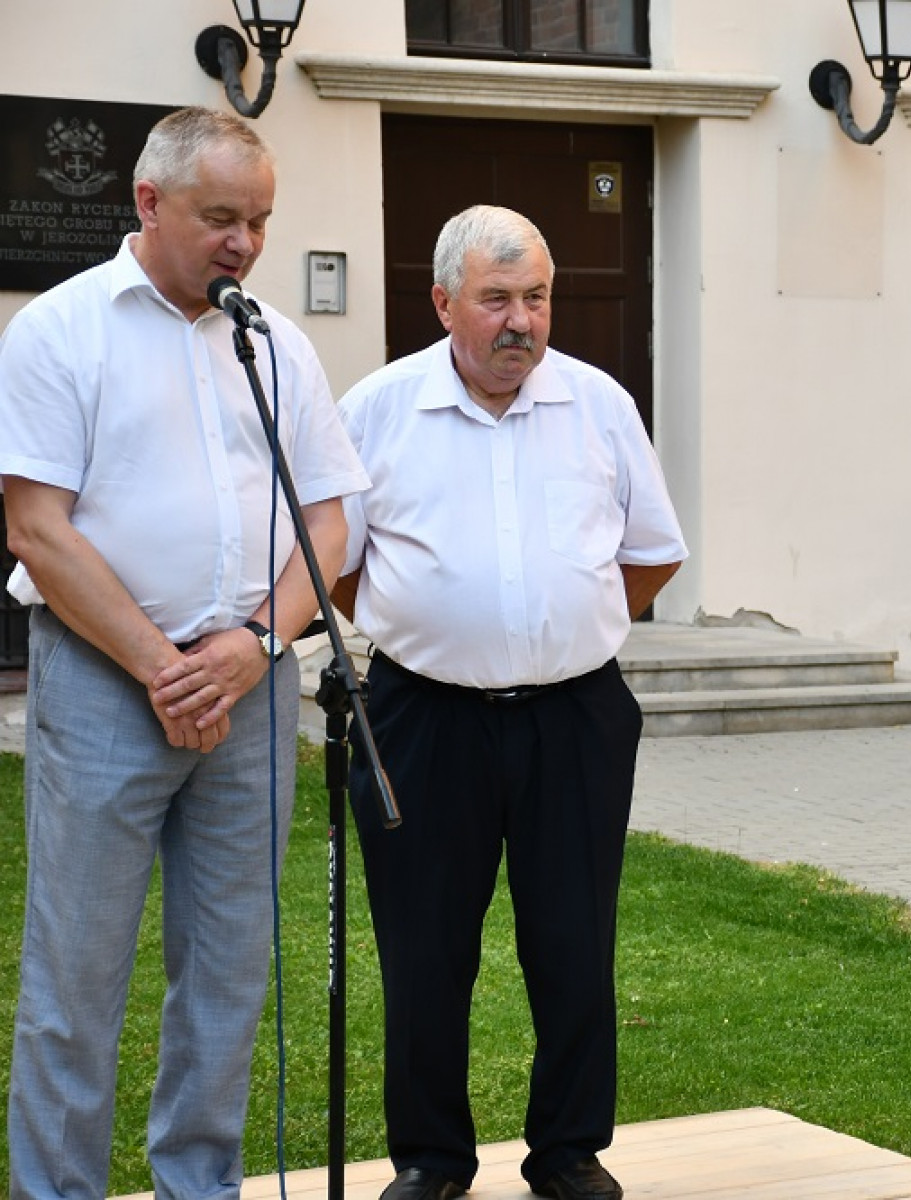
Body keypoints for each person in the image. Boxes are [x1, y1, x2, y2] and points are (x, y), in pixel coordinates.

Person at [0, 107, 366, 1198]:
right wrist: (168, 669)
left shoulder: (276, 342)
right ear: (149, 202)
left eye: (260, 221)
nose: (244, 243)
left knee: (228, 971)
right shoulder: (60, 330)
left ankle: (199, 1185)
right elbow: (35, 528)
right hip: (106, 683)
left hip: (251, 688)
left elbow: (329, 523)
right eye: (220, 218)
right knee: (77, 976)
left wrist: (255, 644)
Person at [333, 205, 686, 1200]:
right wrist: (423, 623)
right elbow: (336, 564)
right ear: (443, 301)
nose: (520, 321)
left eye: (536, 297)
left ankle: (569, 1151)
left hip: (573, 718)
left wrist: (568, 625)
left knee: (573, 940)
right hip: (421, 718)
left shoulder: (599, 404)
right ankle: (430, 1159)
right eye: (496, 299)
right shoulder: (378, 409)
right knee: (424, 948)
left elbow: (652, 552)